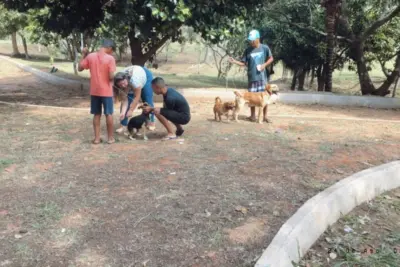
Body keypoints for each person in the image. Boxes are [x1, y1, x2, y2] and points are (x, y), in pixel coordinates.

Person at [229, 29, 274, 122]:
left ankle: (265, 117)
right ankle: (253, 116)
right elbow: (244, 63)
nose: (251, 41)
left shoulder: (264, 48)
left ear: (258, 38)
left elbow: (271, 58)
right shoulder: (248, 50)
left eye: (253, 39)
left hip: (262, 78)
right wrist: (234, 61)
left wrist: (264, 65)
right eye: (250, 40)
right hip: (252, 78)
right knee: (251, 98)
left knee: (265, 98)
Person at [78, 39, 116, 144]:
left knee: (96, 114)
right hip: (107, 91)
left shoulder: (90, 57)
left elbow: (80, 68)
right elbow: (111, 76)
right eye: (112, 50)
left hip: (94, 91)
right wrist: (113, 79)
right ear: (109, 48)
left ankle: (97, 139)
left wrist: (83, 55)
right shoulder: (110, 59)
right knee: (109, 113)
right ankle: (110, 138)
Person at [113, 65, 156, 134]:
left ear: (126, 79)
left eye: (124, 83)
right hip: (132, 79)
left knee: (147, 99)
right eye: (120, 85)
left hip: (145, 75)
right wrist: (123, 113)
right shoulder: (120, 82)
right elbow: (125, 100)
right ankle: (123, 124)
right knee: (128, 100)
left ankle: (151, 121)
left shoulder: (135, 81)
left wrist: (131, 110)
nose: (123, 86)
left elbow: (137, 97)